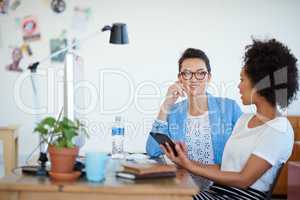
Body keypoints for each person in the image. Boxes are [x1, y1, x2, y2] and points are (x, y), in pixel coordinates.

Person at [161, 38, 299, 200]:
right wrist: (184, 161)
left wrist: (189, 165)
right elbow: (224, 168)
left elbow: (244, 179)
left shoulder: (278, 128)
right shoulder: (244, 120)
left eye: (242, 80)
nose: (238, 86)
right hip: (216, 192)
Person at [146, 48, 242, 188]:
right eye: (187, 73)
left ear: (209, 77)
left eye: (200, 73)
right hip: (184, 187)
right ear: (180, 78)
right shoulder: (173, 112)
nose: (193, 79)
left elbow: (243, 155)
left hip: (220, 188)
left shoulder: (229, 108)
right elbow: (153, 150)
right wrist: (166, 104)